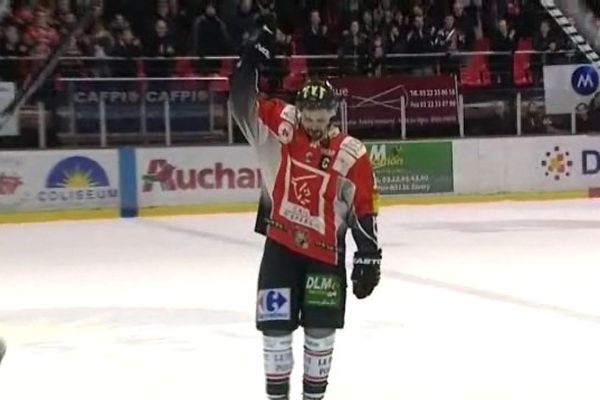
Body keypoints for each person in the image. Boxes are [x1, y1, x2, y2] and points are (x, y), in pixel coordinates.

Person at [230, 25, 382, 400]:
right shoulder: (279, 124)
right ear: (300, 109)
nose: (314, 121)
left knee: (320, 335)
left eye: (322, 114)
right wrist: (248, 64)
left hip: (325, 257)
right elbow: (240, 104)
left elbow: (363, 205)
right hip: (280, 250)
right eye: (309, 113)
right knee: (275, 333)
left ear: (333, 113)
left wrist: (369, 254)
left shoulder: (352, 152)